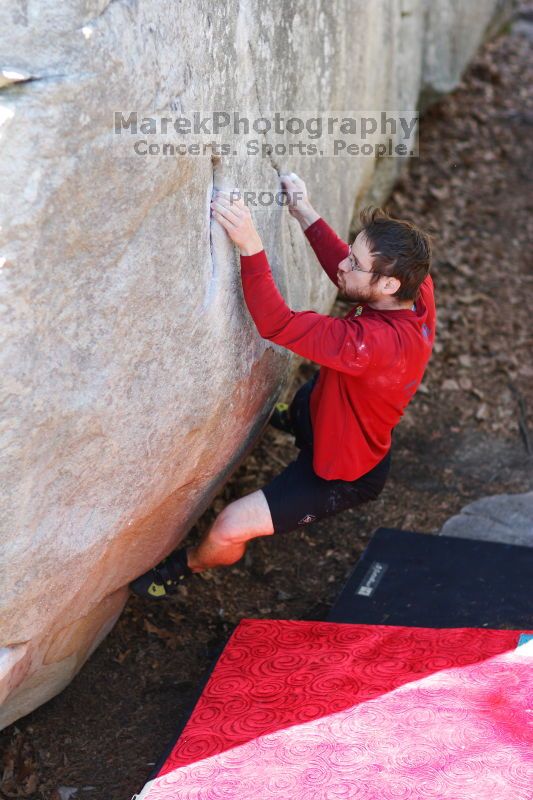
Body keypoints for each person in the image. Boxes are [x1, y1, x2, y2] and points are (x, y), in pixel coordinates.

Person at [130, 172, 435, 599]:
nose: (344, 265)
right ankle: (297, 421)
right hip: (334, 415)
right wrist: (304, 212)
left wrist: (251, 246)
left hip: (342, 473)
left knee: (229, 527)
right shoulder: (416, 292)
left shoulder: (372, 345)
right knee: (312, 396)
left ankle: (185, 567)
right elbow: (350, 280)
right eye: (351, 253)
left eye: (355, 263)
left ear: (388, 284)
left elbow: (276, 323)